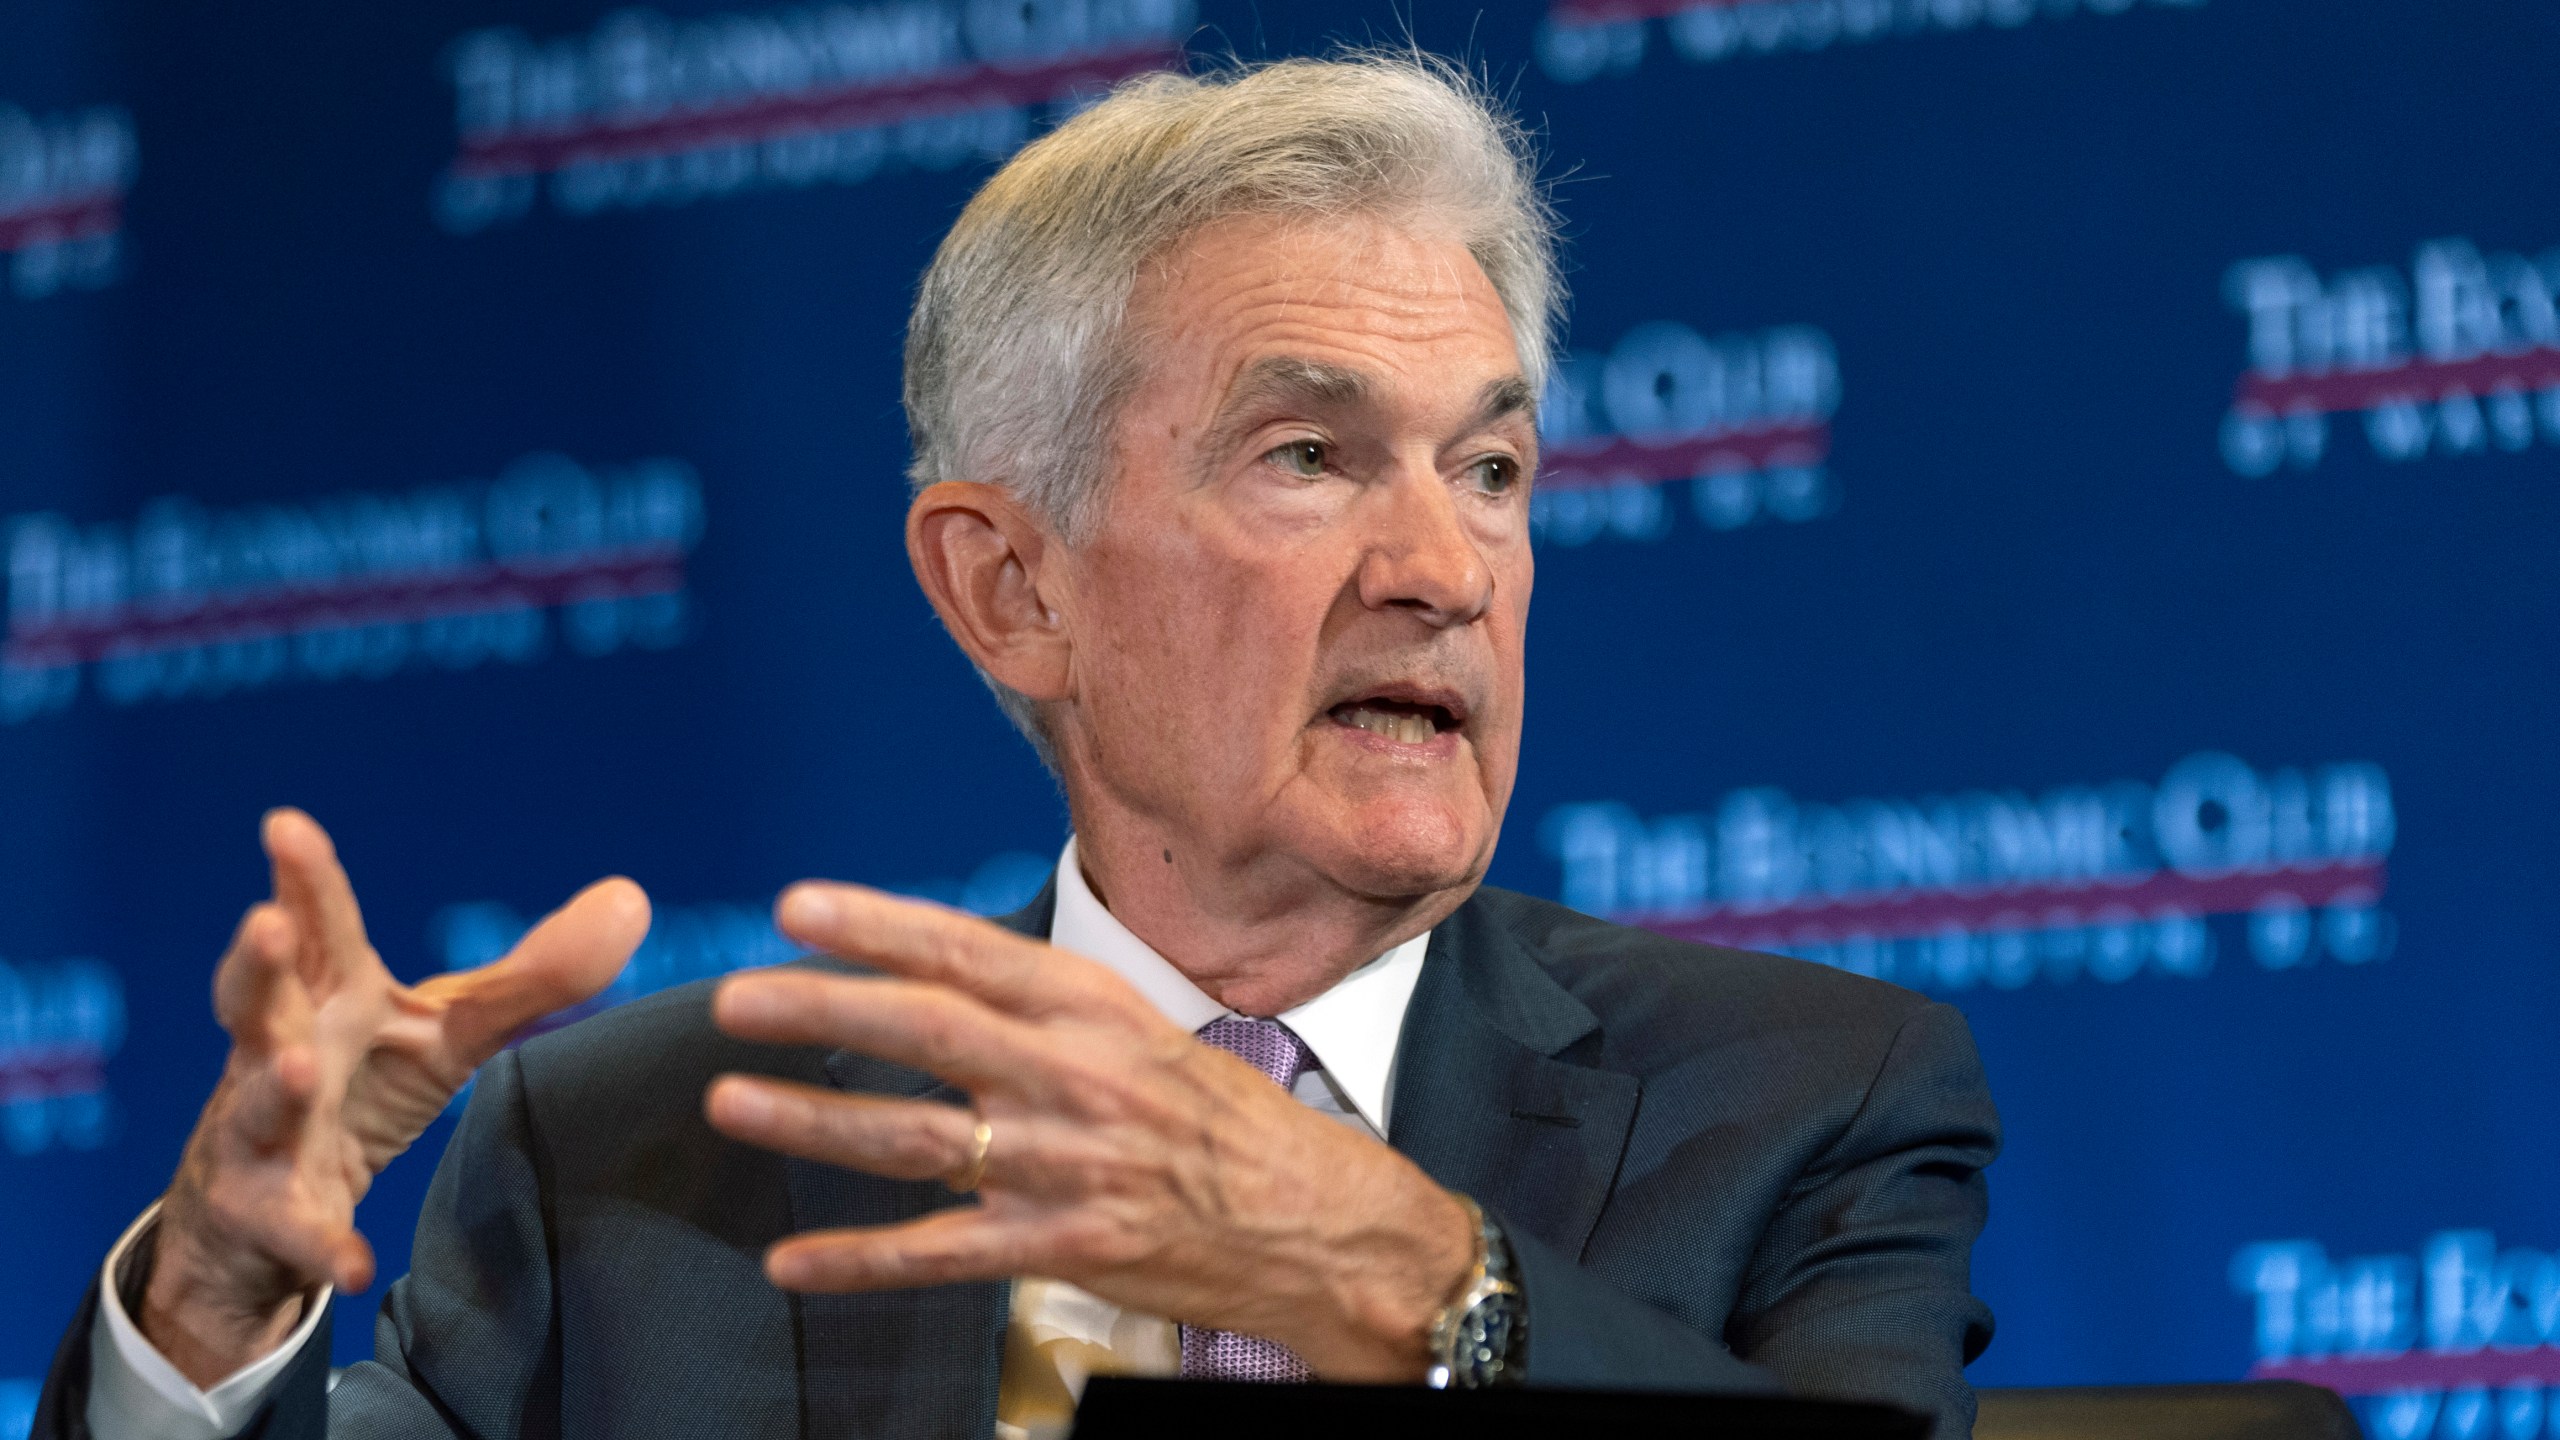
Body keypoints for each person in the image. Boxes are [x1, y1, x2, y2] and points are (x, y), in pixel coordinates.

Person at [34, 52, 2000, 1440]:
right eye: (1307, 455)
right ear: (1008, 587)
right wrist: (205, 1308)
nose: (1444, 568)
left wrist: (1422, 1288)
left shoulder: (1799, 1099)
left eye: (1488, 466)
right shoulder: (640, 1161)